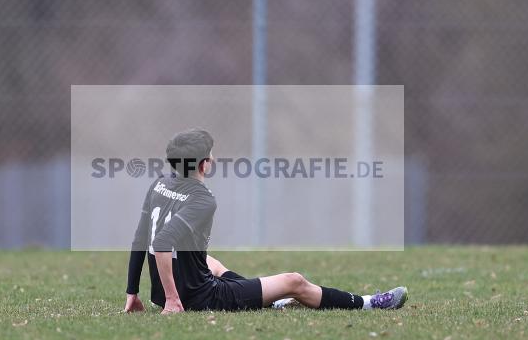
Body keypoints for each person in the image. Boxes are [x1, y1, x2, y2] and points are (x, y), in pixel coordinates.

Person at [123, 128, 407, 314]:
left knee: (212, 263)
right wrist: (174, 301)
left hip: (160, 292)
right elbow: (161, 243)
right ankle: (370, 303)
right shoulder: (203, 199)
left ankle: (273, 300)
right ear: (203, 164)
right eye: (211, 154)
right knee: (294, 280)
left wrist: (133, 293)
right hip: (199, 299)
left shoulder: (159, 184)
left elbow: (140, 239)